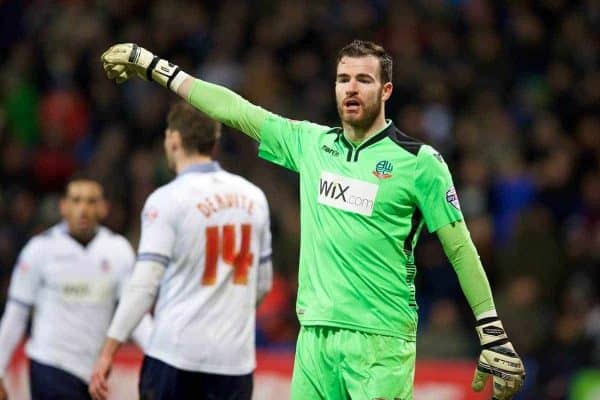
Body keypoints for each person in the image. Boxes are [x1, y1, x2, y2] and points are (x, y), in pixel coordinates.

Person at [100, 40, 525, 400]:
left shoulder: (419, 163)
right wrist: (155, 67)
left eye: (364, 80)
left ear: (387, 89)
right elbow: (236, 110)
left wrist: (492, 330)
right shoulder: (312, 145)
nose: (351, 89)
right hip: (314, 339)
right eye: (343, 80)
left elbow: (459, 247)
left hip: (380, 343)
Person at [88, 102, 273, 400]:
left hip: (175, 356)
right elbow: (262, 283)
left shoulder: (167, 200)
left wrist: (109, 350)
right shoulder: (254, 197)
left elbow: (144, 286)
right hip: (234, 361)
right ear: (214, 142)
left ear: (173, 140)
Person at [0, 176, 152, 400]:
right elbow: (16, 314)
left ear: (103, 208)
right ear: (63, 206)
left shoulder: (118, 250)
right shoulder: (40, 249)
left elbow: (134, 313)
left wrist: (158, 355)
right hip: (50, 364)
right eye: (76, 200)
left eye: (91, 201)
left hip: (94, 373)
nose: (83, 209)